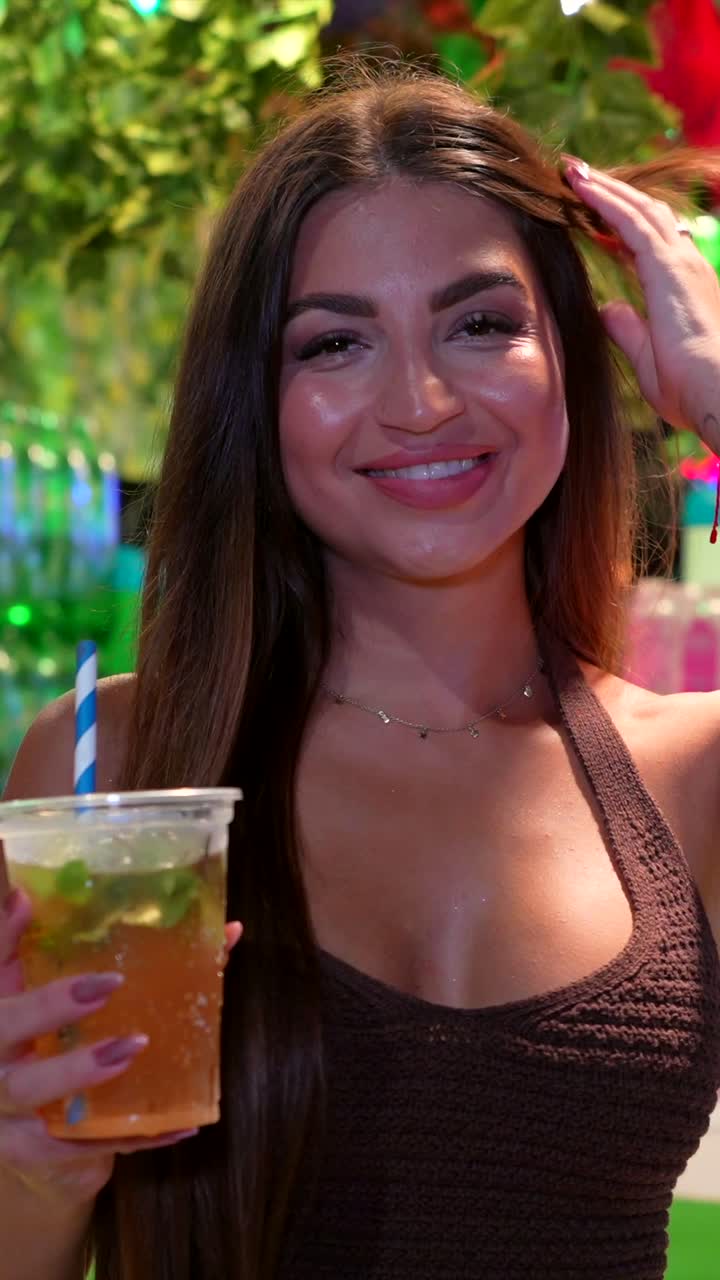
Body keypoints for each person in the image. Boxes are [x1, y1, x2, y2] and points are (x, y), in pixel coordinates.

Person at [1, 54, 720, 1280]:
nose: (423, 401)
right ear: (258, 399)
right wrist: (32, 1167)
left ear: (575, 360)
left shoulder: (691, 768)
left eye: (481, 323)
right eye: (334, 345)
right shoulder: (118, 767)